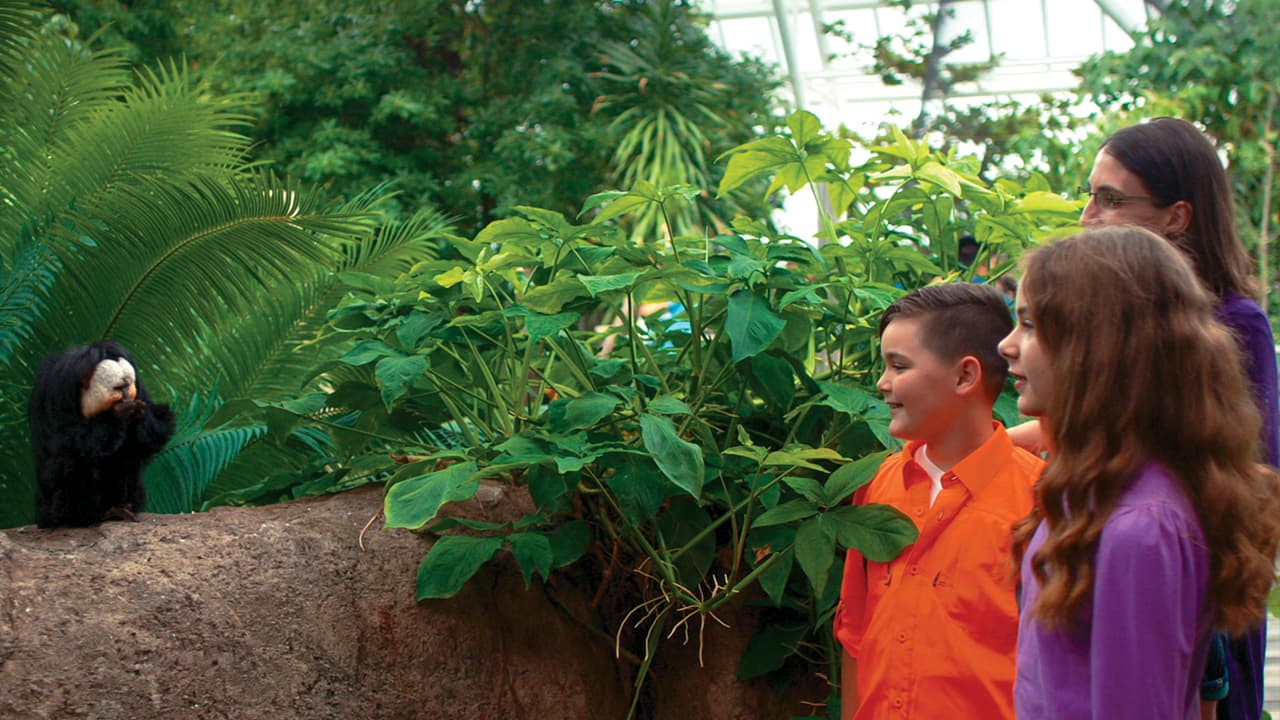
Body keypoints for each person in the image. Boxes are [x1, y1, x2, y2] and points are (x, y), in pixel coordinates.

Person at [1010, 117, 1279, 720]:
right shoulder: (1106, 500)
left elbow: (1249, 471)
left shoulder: (1231, 323)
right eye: (1089, 195)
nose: (1088, 215)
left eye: (1109, 199)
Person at [833, 283, 1044, 720]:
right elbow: (855, 635)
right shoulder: (877, 486)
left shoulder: (1040, 500)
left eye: (898, 366)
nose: (882, 383)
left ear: (965, 376)